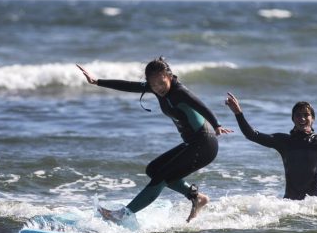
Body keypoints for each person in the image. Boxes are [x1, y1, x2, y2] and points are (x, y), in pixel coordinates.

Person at [77, 58, 232, 222]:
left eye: (161, 83)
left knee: (161, 177)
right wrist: (97, 81)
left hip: (204, 144)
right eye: (154, 85)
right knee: (153, 169)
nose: (158, 88)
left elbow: (201, 106)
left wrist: (217, 124)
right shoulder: (155, 88)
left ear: (169, 76)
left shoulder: (180, 92)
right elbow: (129, 85)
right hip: (192, 144)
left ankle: (123, 214)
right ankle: (196, 197)